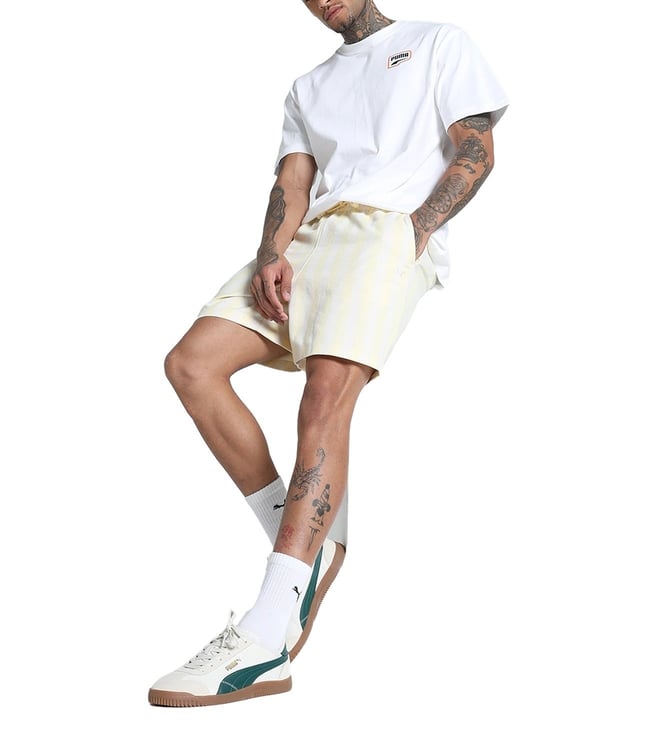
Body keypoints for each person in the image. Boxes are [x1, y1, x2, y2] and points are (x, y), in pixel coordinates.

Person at [148, 0, 509, 707]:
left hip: (385, 233)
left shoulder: (438, 41)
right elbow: (292, 182)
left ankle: (267, 632)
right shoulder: (307, 85)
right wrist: (270, 254)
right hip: (312, 238)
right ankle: (314, 543)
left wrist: (414, 231)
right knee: (191, 365)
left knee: (323, 400)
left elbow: (476, 149)